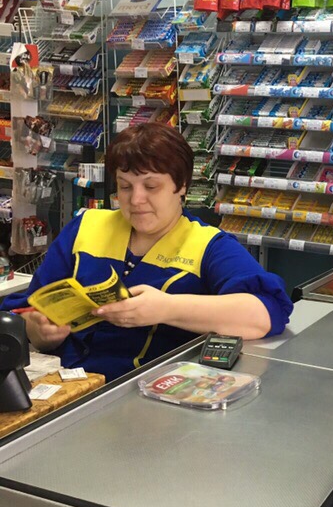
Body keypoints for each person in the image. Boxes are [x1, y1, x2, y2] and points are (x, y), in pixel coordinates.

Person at [2, 123, 293, 382]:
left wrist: (168, 308)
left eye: (151, 186)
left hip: (148, 397)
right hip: (65, 387)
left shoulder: (209, 245)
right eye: (125, 187)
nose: (136, 199)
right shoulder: (85, 227)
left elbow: (265, 312)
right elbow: (25, 309)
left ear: (181, 186)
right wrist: (37, 330)